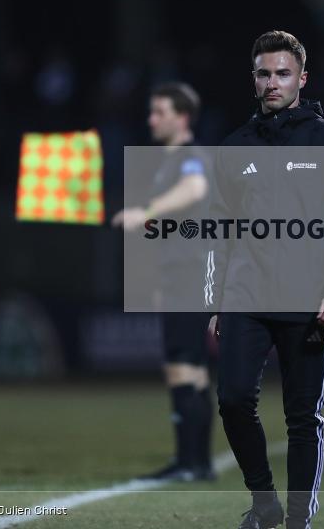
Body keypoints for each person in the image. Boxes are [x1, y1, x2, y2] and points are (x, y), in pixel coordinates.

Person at [204, 30, 324, 529]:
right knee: (232, 399)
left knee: (302, 419)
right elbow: (218, 233)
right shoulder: (234, 147)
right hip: (245, 296)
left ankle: (298, 520)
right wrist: (214, 300)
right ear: (252, 79)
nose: (272, 82)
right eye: (263, 73)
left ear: (302, 77)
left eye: (281, 73)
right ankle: (264, 502)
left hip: (307, 299)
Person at [112, 82, 215, 482]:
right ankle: (197, 463)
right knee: (193, 368)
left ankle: (188, 463)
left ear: (182, 117)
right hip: (179, 273)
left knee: (182, 366)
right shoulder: (168, 161)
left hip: (190, 273)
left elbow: (196, 189)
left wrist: (146, 211)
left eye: (160, 112)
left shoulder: (189, 157)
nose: (151, 119)